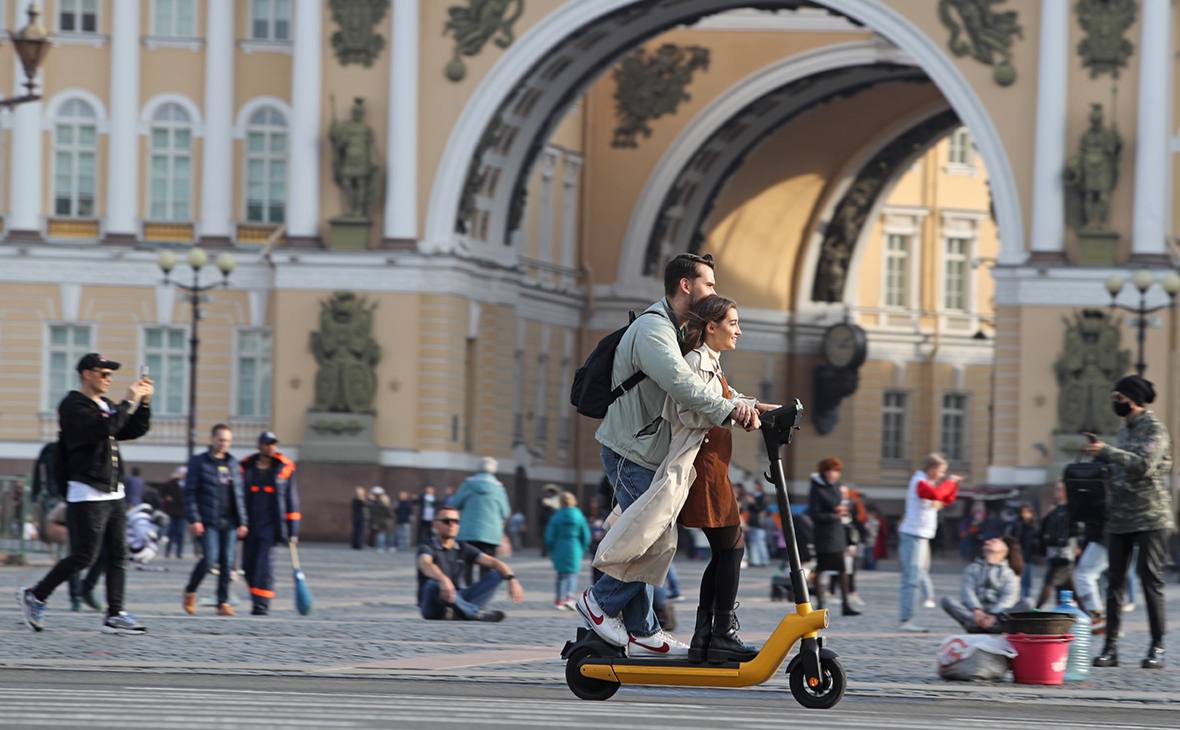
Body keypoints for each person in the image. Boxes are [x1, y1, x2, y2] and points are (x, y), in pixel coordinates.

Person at [576, 255, 760, 658]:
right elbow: (680, 384)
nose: (713, 291)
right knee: (652, 534)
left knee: (650, 533)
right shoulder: (653, 330)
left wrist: (749, 405)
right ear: (686, 285)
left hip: (649, 450)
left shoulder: (679, 329)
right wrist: (730, 411)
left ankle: (642, 627)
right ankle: (600, 602)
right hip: (630, 449)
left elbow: (705, 385)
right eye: (708, 284)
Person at [20, 353, 153, 634]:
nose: (109, 379)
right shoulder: (73, 405)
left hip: (113, 490)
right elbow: (104, 430)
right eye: (103, 373)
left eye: (111, 375)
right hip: (87, 491)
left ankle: (115, 614)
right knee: (84, 556)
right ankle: (37, 594)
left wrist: (144, 403)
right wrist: (128, 400)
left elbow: (132, 430)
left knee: (119, 554)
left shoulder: (105, 404)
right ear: (86, 374)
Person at [1084, 375, 1174, 670]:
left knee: (1151, 582)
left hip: (1151, 516)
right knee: (1114, 584)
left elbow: (1143, 466)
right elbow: (1123, 465)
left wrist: (1108, 452)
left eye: (1118, 397)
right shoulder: (1124, 430)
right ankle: (1110, 647)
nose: (1115, 403)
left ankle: (1157, 647)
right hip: (1121, 516)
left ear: (1132, 399)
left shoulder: (1154, 429)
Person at [182, 424, 248, 617]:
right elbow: (190, 493)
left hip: (230, 521)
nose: (223, 444)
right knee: (209, 559)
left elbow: (239, 495)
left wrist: (243, 521)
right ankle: (190, 591)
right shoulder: (199, 462)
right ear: (212, 439)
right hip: (207, 519)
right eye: (220, 439)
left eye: (227, 440)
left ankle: (223, 602)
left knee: (228, 562)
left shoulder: (233, 463)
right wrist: (194, 519)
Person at [417, 506, 524, 621]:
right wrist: (443, 579)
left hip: (458, 597)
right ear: (435, 524)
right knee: (432, 584)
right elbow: (425, 564)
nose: (451, 525)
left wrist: (512, 579)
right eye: (446, 521)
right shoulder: (427, 547)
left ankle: (459, 611)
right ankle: (475, 614)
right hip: (433, 605)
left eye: (456, 522)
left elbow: (494, 562)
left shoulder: (463, 548)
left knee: (497, 574)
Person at [897, 453, 961, 632]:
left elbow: (946, 499)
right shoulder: (920, 481)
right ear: (931, 469)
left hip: (922, 536)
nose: (941, 475)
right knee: (911, 579)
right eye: (940, 471)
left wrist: (953, 486)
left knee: (917, 576)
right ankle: (907, 619)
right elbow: (936, 494)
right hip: (913, 535)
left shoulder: (928, 482)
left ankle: (909, 617)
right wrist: (950, 483)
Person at [240, 432, 300, 616]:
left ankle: (261, 605)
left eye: (273, 444)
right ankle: (256, 596)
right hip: (250, 524)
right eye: (267, 444)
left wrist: (293, 529)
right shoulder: (246, 467)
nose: (270, 447)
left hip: (271, 526)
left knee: (264, 566)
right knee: (248, 566)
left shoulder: (284, 469)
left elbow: (291, 499)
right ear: (259, 446)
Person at [940, 532, 1029, 633]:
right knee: (946, 600)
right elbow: (967, 591)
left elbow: (1008, 598)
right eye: (987, 541)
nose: (988, 541)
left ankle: (992, 626)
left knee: (1028, 603)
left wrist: (994, 615)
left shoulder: (1009, 573)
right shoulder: (973, 568)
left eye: (994, 541)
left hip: (998, 616)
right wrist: (976, 609)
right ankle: (976, 624)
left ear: (1005, 550)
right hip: (975, 615)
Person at [808, 458, 860, 617]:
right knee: (822, 569)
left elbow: (847, 504)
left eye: (837, 471)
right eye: (831, 470)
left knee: (842, 569)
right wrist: (834, 514)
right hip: (824, 535)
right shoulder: (817, 488)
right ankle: (820, 605)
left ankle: (845, 604)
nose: (835, 474)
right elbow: (815, 514)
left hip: (838, 534)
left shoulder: (838, 486)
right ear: (824, 471)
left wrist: (845, 507)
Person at [449, 457, 511, 584]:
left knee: (467, 565)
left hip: (468, 532)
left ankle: (469, 593)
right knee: (487, 565)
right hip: (491, 534)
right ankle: (480, 596)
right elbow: (505, 512)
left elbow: (455, 504)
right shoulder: (499, 488)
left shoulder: (468, 484)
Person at [545, 491, 591, 609]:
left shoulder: (557, 516)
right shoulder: (578, 515)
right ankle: (569, 597)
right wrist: (583, 547)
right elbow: (585, 534)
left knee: (561, 574)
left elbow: (549, 535)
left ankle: (559, 600)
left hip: (560, 546)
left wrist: (551, 547)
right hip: (574, 545)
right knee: (572, 574)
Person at [1036, 481, 1076, 609]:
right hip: (1054, 553)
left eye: (1060, 489)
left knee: (1051, 582)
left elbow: (1076, 530)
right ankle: (1065, 614)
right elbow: (1044, 531)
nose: (1057, 492)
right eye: (1057, 489)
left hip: (1065, 554)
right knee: (1066, 588)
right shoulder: (1054, 510)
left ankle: (1037, 609)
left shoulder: (1071, 510)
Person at [159, 466, 188, 559]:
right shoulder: (171, 483)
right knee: (170, 532)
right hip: (172, 511)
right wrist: (166, 497)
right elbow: (162, 491)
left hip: (183, 511)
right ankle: (168, 551)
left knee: (181, 533)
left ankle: (179, 552)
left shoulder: (189, 483)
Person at [744, 483, 769, 568]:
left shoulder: (763, 497)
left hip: (759, 523)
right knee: (753, 542)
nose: (755, 487)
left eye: (757, 485)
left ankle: (763, 560)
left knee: (759, 542)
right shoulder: (753, 495)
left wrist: (753, 502)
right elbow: (749, 509)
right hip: (752, 522)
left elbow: (761, 509)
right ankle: (756, 560)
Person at [368, 487, 393, 551]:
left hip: (378, 521)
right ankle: (388, 546)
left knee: (381, 534)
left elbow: (373, 512)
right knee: (386, 534)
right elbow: (390, 514)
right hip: (385, 521)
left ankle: (381, 547)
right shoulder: (385, 505)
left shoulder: (375, 503)